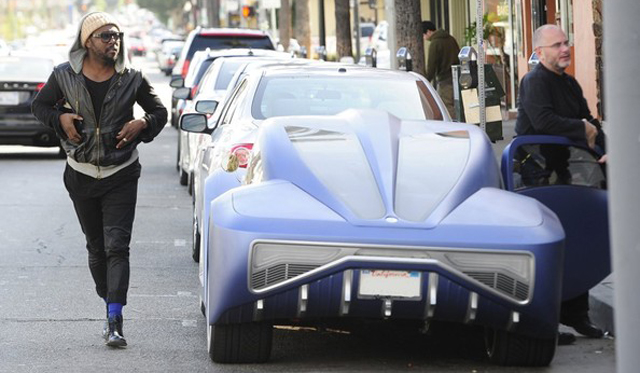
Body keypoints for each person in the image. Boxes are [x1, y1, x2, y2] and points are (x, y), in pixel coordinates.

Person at [31, 12, 167, 347]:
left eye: (117, 36)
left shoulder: (132, 77)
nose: (114, 42)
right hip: (80, 174)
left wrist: (144, 123)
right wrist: (60, 117)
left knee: (117, 247)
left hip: (121, 172)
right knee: (96, 248)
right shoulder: (64, 76)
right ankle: (110, 300)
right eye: (106, 36)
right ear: (88, 41)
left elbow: (161, 112)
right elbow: (39, 106)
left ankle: (115, 320)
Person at [516, 24, 605, 344]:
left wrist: (605, 151)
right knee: (548, 247)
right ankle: (544, 321)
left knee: (578, 240)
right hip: (538, 176)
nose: (565, 48)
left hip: (567, 171)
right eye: (556, 45)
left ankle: (576, 314)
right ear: (540, 53)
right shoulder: (534, 81)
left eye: (567, 42)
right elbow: (543, 122)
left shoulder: (569, 83)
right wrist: (582, 128)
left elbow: (590, 121)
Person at [422, 21, 460, 117]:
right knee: (458, 104)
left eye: (423, 35)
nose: (424, 38)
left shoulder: (435, 44)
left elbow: (432, 65)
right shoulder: (451, 39)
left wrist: (426, 80)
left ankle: (453, 128)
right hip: (457, 77)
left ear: (428, 32)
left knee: (447, 105)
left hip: (445, 80)